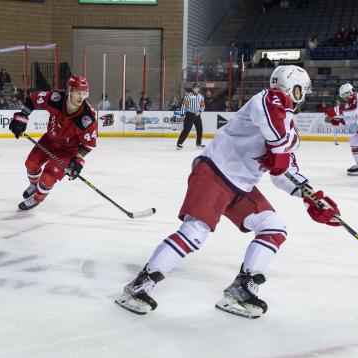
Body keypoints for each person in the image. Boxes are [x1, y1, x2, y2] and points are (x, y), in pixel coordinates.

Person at [115, 65, 341, 319]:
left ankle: (241, 288)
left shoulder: (290, 129)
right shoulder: (268, 99)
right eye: (302, 91)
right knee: (195, 232)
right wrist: (278, 151)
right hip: (215, 172)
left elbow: (283, 172)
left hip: (240, 186)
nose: (303, 97)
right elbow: (274, 128)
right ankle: (139, 286)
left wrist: (312, 196)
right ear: (295, 89)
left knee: (274, 228)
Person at [8, 75, 98, 210]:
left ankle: (37, 198)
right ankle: (34, 184)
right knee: (31, 164)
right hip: (49, 140)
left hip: (68, 151)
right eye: (78, 92)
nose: (81, 97)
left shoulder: (87, 119)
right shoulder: (55, 98)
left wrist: (78, 162)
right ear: (69, 91)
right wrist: (22, 116)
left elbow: (88, 144)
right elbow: (33, 98)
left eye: (84, 93)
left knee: (48, 177)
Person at [176, 83, 205, 149]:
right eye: (195, 88)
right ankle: (179, 144)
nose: (196, 89)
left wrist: (200, 111)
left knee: (200, 129)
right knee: (186, 129)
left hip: (197, 115)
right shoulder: (188, 96)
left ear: (199, 89)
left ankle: (199, 143)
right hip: (189, 114)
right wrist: (182, 115)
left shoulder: (201, 97)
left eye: (197, 88)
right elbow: (183, 106)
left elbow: (203, 106)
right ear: (192, 89)